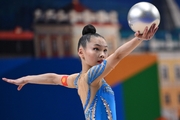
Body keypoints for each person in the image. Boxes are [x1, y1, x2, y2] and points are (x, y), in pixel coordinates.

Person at [2, 23, 158, 120]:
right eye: (96, 49)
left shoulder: (77, 80)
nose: (102, 55)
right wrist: (139, 39)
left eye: (105, 50)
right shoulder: (92, 76)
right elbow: (117, 56)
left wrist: (27, 78)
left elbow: (54, 79)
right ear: (81, 52)